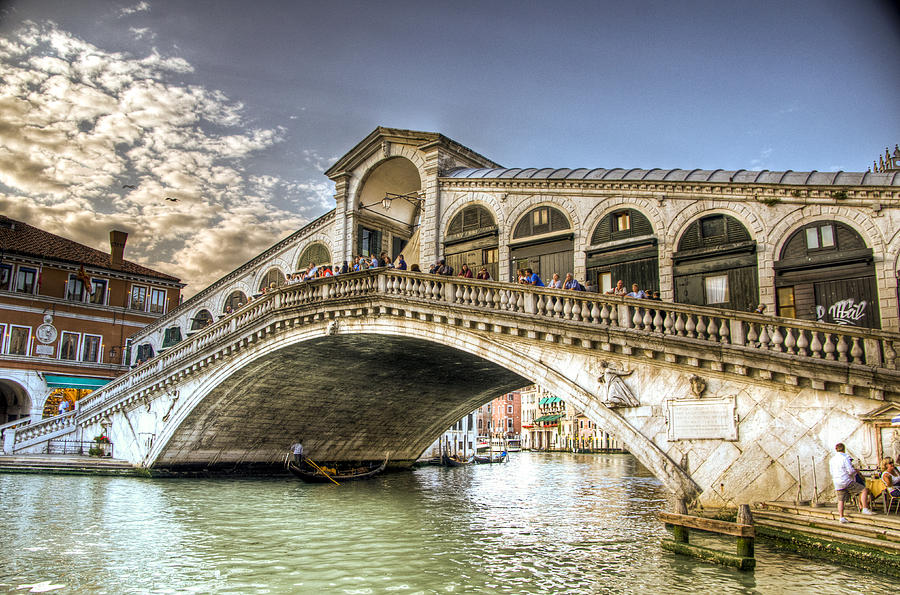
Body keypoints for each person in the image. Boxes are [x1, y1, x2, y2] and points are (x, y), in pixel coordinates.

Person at [830, 442, 873, 522]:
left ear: (836, 449)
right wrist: (855, 472)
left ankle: (841, 517)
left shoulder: (832, 459)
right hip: (846, 480)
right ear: (844, 449)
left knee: (841, 500)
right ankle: (865, 508)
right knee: (864, 490)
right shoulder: (845, 458)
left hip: (837, 481)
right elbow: (850, 470)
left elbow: (831, 472)